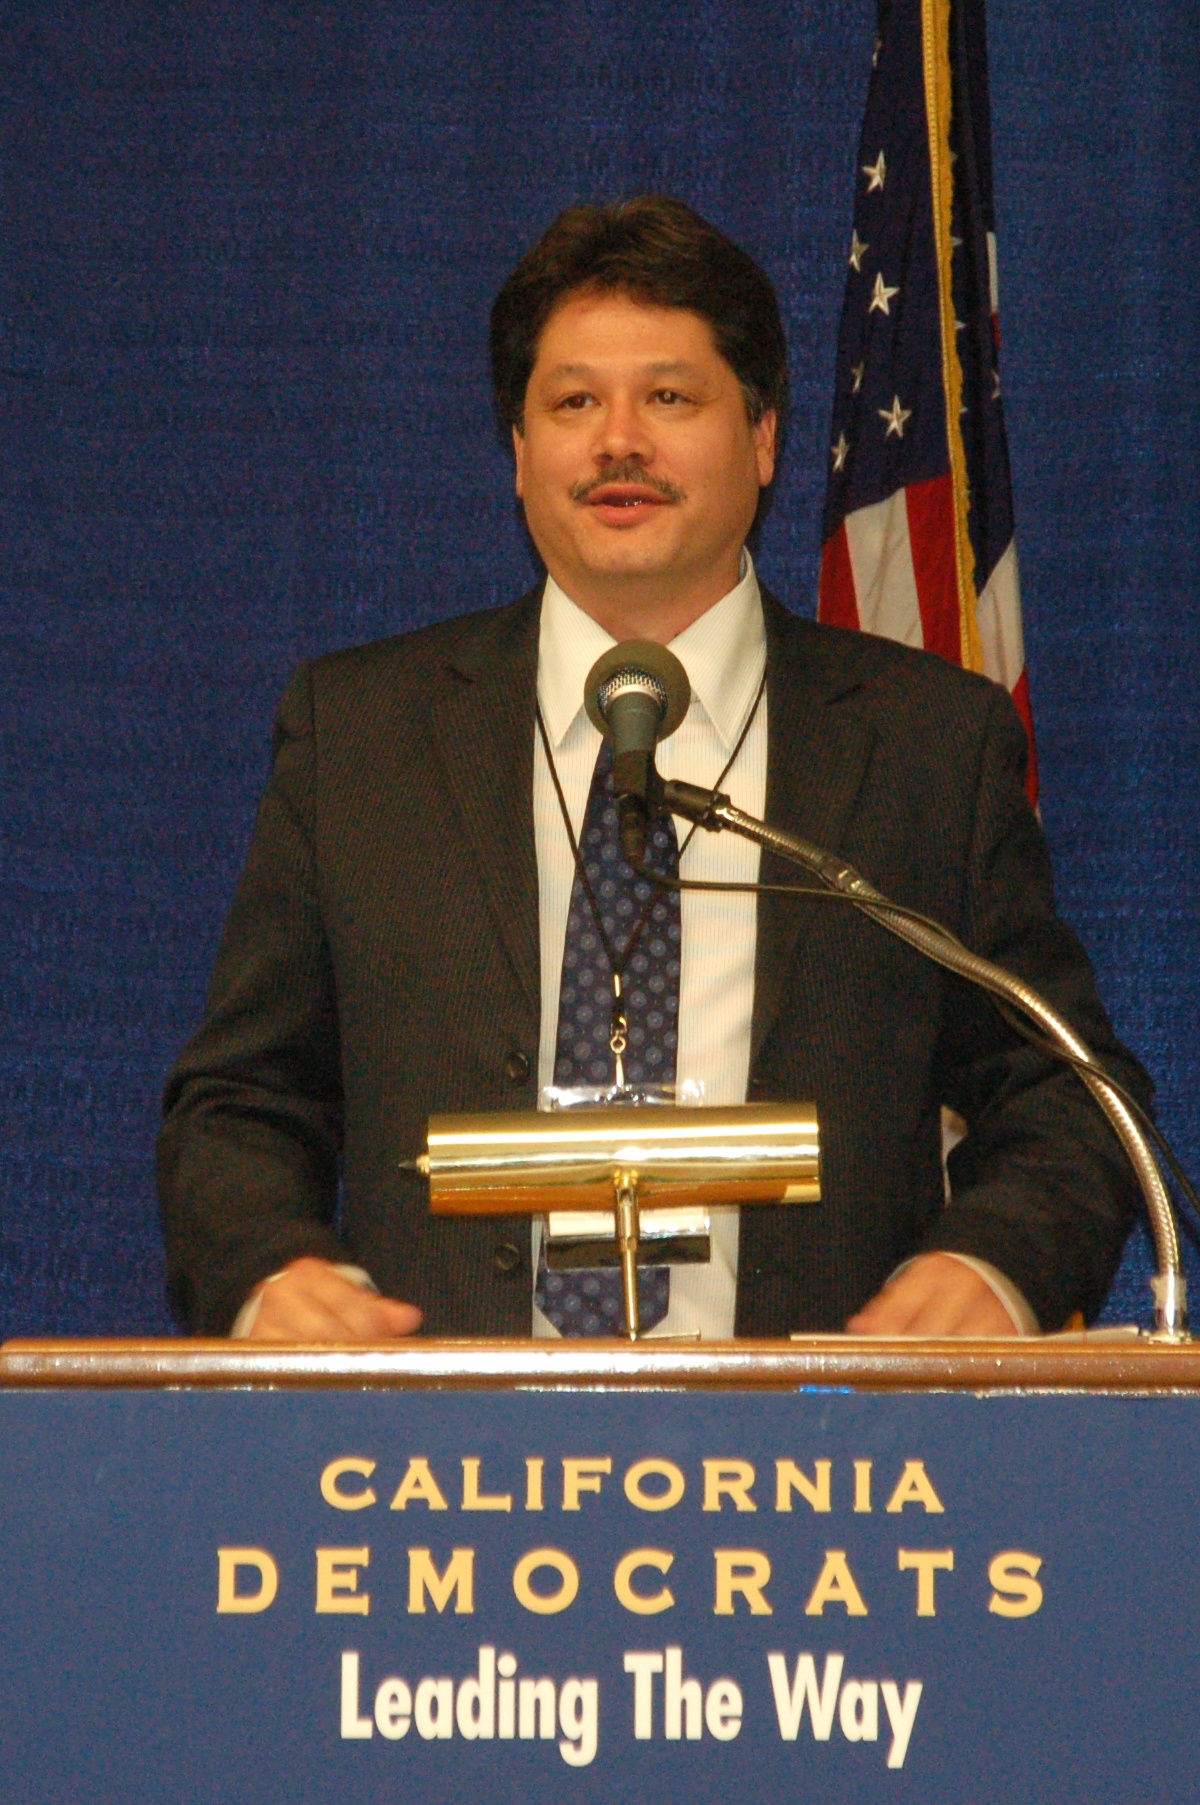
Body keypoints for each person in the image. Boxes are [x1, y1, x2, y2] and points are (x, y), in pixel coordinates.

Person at [158, 195, 1148, 1343]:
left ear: (764, 439)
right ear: (519, 453)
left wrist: (992, 1265)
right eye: (573, 402)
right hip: (441, 1433)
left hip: (819, 1435)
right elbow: (239, 1102)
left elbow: (1067, 1092)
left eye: (670, 398)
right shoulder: (364, 736)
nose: (618, 441)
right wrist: (271, 1271)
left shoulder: (926, 743)